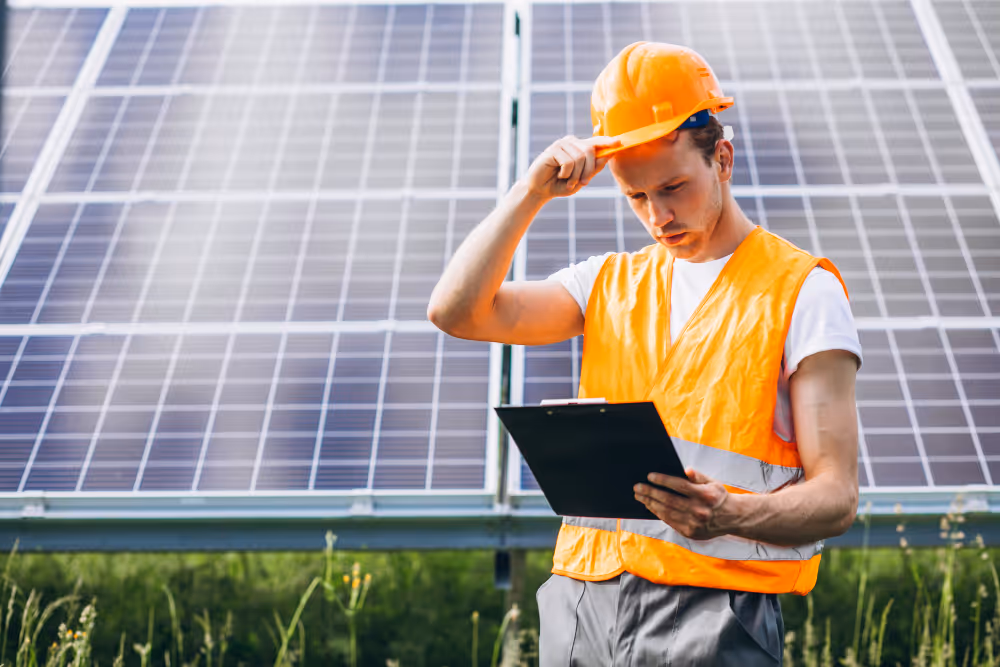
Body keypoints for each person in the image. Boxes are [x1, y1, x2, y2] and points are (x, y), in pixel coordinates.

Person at [427, 42, 861, 666]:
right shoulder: (604, 283)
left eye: (674, 188)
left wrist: (733, 513)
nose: (658, 216)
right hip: (581, 604)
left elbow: (837, 497)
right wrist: (531, 192)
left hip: (714, 613)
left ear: (724, 159)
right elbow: (456, 311)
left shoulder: (803, 292)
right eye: (636, 197)